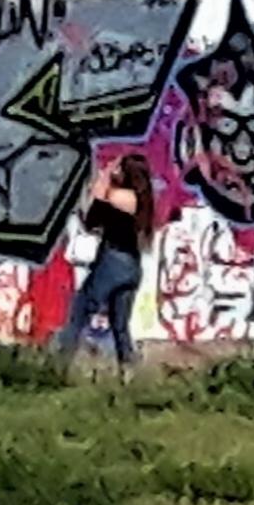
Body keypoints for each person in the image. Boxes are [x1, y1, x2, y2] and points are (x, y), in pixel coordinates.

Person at [61, 155, 155, 365]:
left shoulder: (128, 197)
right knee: (120, 324)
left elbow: (99, 195)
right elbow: (92, 219)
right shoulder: (144, 199)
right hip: (132, 266)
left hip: (113, 261)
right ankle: (128, 371)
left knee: (81, 308)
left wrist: (105, 175)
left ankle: (60, 362)